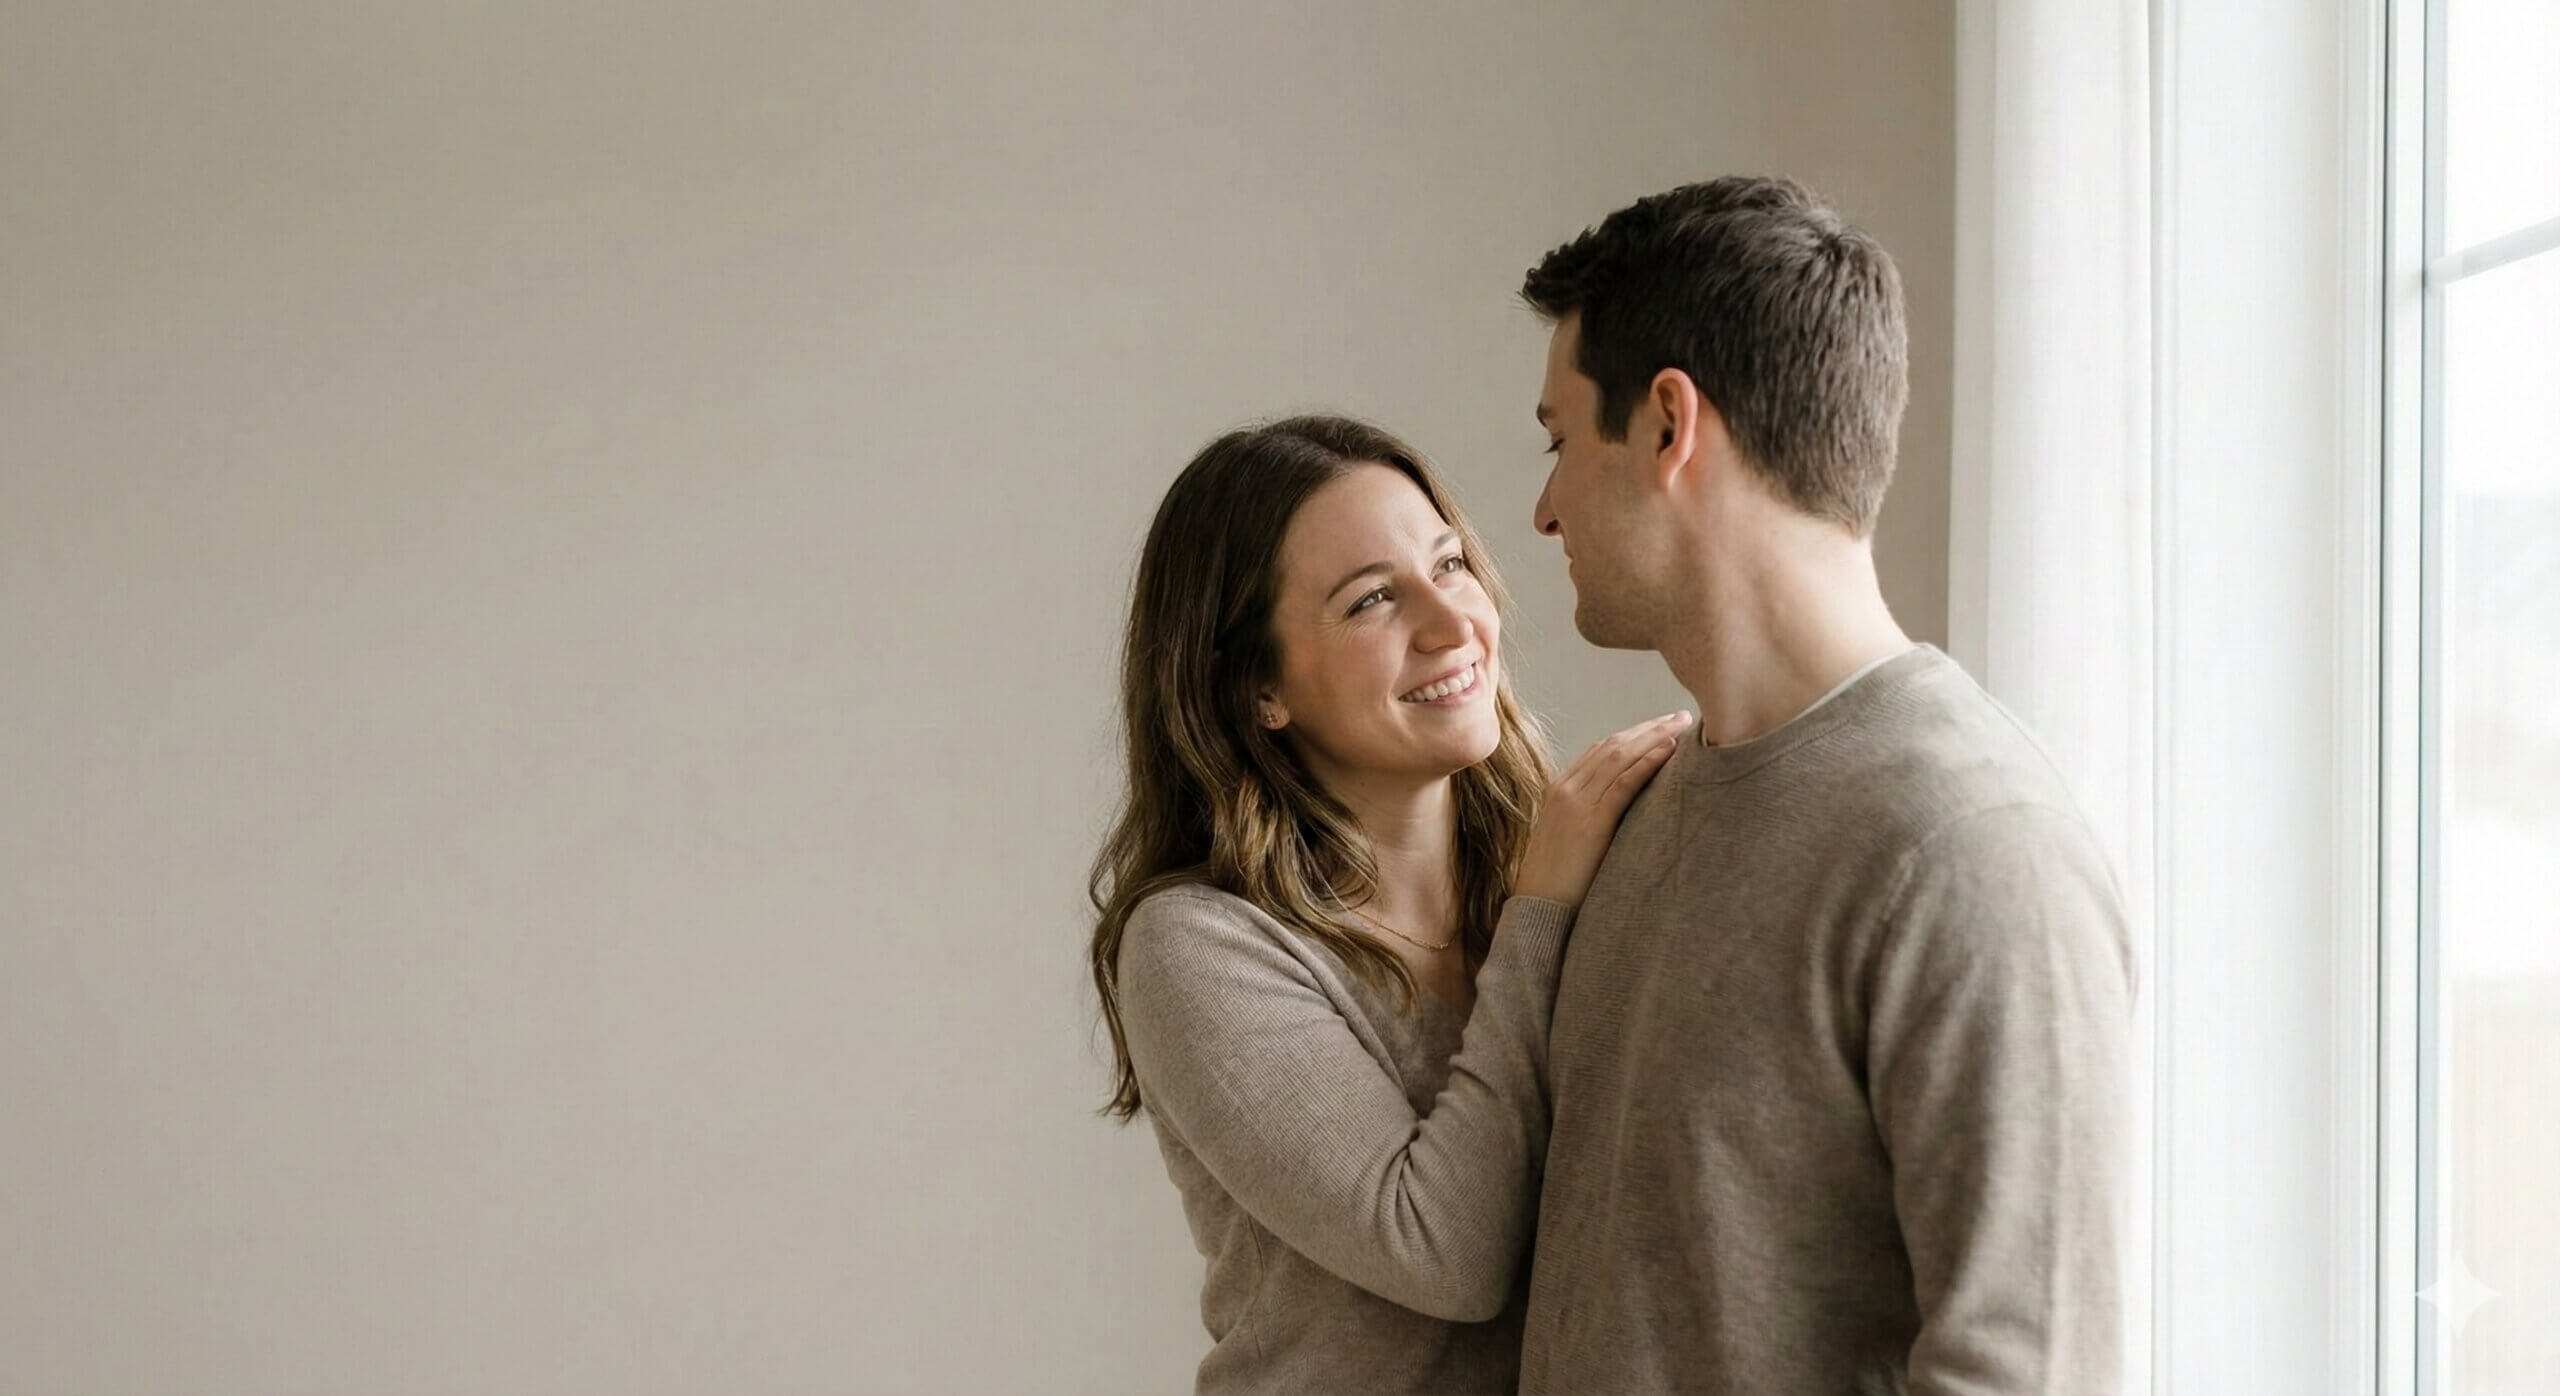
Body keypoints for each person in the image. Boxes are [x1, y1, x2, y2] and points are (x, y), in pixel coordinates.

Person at [1513, 176, 2138, 1394]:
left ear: (1665, 425)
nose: (1541, 508)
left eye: (1558, 438)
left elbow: (2027, 1369)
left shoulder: (1972, 844)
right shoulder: (1640, 812)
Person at [1088, 414, 1691, 1394]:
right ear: (1257, 689)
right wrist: (1541, 914)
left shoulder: (1571, 865)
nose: (1454, 624)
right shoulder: (1196, 944)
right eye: (1371, 599)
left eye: (1449, 565)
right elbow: (1443, 1254)